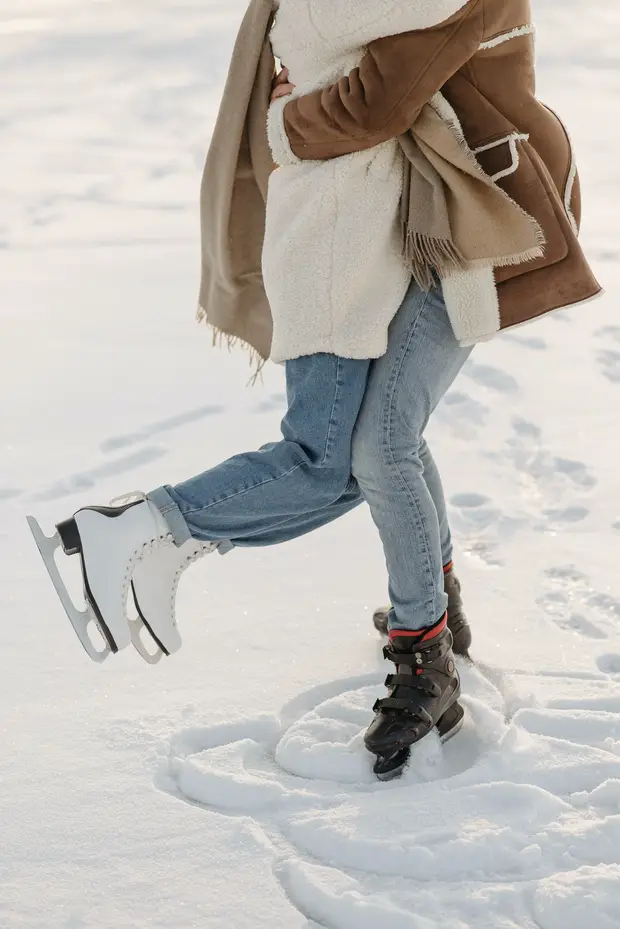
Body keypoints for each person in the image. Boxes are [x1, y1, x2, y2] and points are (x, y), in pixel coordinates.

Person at [29, 0, 600, 780]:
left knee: (379, 445)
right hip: (413, 218)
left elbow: (378, 101)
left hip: (478, 210)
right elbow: (360, 79)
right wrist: (297, 117)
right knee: (376, 442)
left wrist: (286, 123)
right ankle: (426, 614)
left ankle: (422, 642)